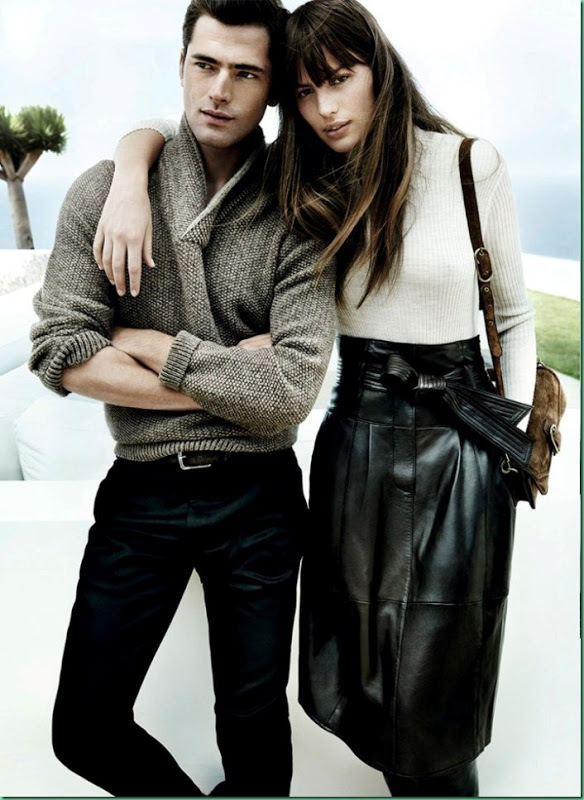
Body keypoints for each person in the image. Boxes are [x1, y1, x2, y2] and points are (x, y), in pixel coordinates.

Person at [93, 0, 537, 795]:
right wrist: (129, 174)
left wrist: (515, 449)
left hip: (462, 436)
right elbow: (175, 130)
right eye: (303, 91)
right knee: (365, 673)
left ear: (378, 69)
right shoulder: (304, 179)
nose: (324, 107)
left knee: (441, 681)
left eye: (339, 79)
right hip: (357, 435)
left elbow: (513, 315)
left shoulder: (470, 163)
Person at [29, 0, 336, 797]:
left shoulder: (300, 211)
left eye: (246, 73)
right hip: (142, 494)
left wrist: (149, 344)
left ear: (273, 89)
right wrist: (232, 379)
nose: (220, 89)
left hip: (260, 499)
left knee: (254, 731)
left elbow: (291, 390)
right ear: (181, 65)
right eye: (206, 64)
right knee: (84, 727)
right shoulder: (106, 191)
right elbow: (62, 354)